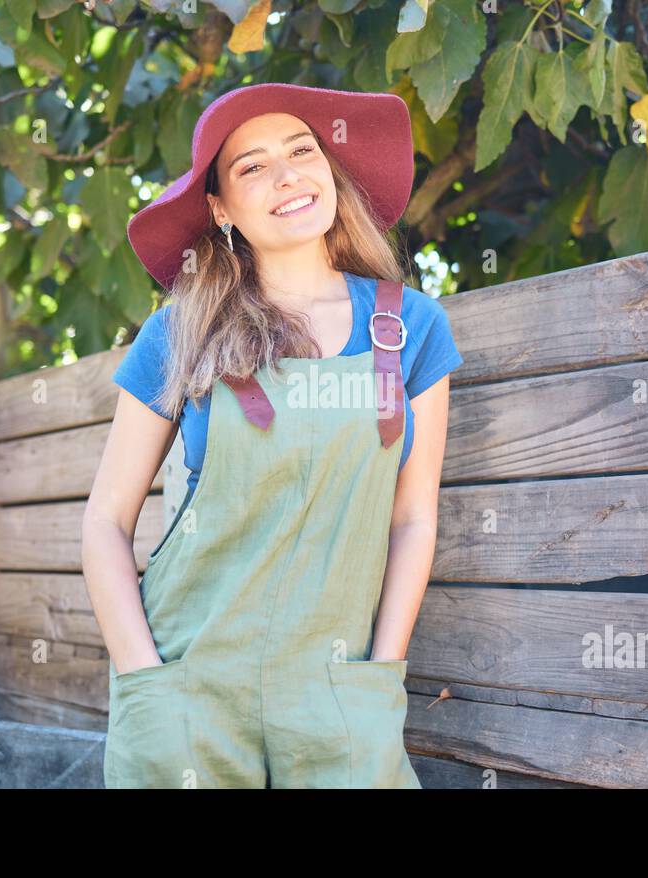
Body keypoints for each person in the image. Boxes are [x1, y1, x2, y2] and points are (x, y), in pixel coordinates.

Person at [82, 82, 463, 788]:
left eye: (302, 151)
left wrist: (380, 677)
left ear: (329, 172)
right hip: (189, 691)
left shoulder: (411, 328)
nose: (287, 175)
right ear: (221, 208)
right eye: (252, 166)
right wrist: (145, 683)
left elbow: (413, 519)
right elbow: (105, 521)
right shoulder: (179, 331)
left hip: (338, 695)